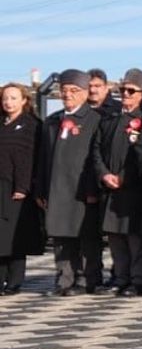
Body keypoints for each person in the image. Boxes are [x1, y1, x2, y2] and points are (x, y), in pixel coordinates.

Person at [36, 70, 104, 295]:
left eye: (74, 91)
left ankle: (87, 280)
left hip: (82, 190)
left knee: (86, 238)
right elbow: (43, 158)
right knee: (61, 236)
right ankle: (64, 280)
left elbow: (97, 158)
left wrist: (93, 189)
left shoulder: (95, 120)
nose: (68, 95)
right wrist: (41, 189)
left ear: (85, 93)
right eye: (63, 91)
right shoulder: (52, 122)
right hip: (56, 189)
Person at [93, 69, 142, 296]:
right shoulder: (110, 118)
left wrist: (125, 177)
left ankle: (139, 280)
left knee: (135, 239)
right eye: (123, 90)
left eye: (131, 91)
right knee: (116, 238)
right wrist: (103, 173)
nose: (126, 95)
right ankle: (120, 277)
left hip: (134, 188)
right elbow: (97, 149)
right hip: (110, 187)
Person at [0, 83, 42, 294]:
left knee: (15, 237)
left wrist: (23, 186)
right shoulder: (2, 123)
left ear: (24, 100)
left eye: (14, 98)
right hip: (1, 185)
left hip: (18, 188)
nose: (8, 102)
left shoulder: (30, 125)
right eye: (6, 98)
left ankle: (15, 281)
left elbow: (29, 159)